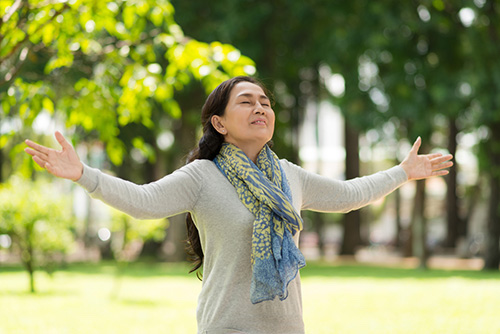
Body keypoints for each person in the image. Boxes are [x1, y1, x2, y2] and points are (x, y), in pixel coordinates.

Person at [24, 76, 453, 334]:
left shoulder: (289, 175)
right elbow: (143, 201)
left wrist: (402, 172)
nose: (260, 107)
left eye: (265, 101)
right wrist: (83, 174)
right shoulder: (201, 176)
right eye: (246, 101)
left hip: (288, 328)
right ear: (220, 123)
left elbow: (348, 196)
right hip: (226, 328)